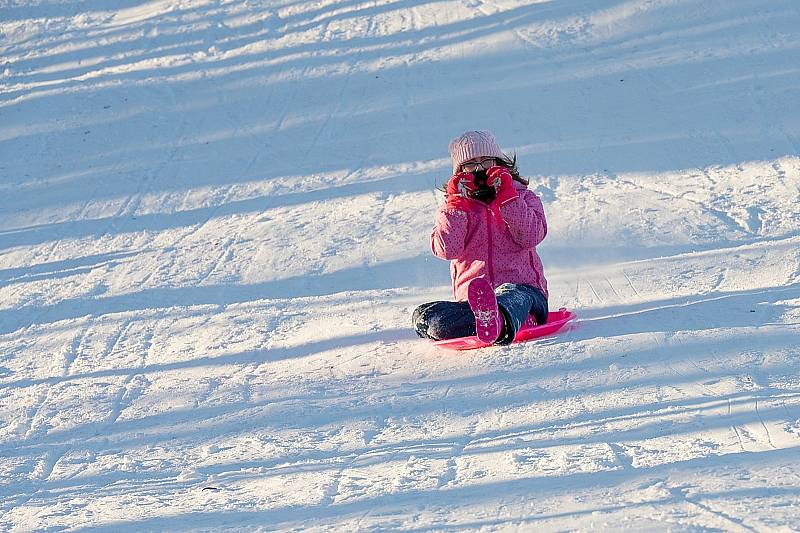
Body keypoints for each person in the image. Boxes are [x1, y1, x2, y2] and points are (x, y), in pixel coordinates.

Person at [413, 130, 549, 345]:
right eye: (471, 164)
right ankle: (489, 321)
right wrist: (456, 204)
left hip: (525, 293)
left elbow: (531, 236)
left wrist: (507, 198)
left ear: (498, 162)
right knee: (426, 317)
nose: (479, 169)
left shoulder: (524, 197)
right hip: (473, 303)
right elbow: (448, 250)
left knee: (513, 296)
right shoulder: (452, 208)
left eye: (485, 161)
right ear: (460, 171)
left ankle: (504, 318)